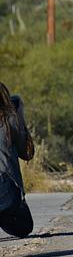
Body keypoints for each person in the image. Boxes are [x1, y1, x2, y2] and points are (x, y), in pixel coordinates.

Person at [0, 83, 35, 238]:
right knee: (24, 227)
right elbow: (27, 153)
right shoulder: (9, 120)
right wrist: (20, 116)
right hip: (6, 191)